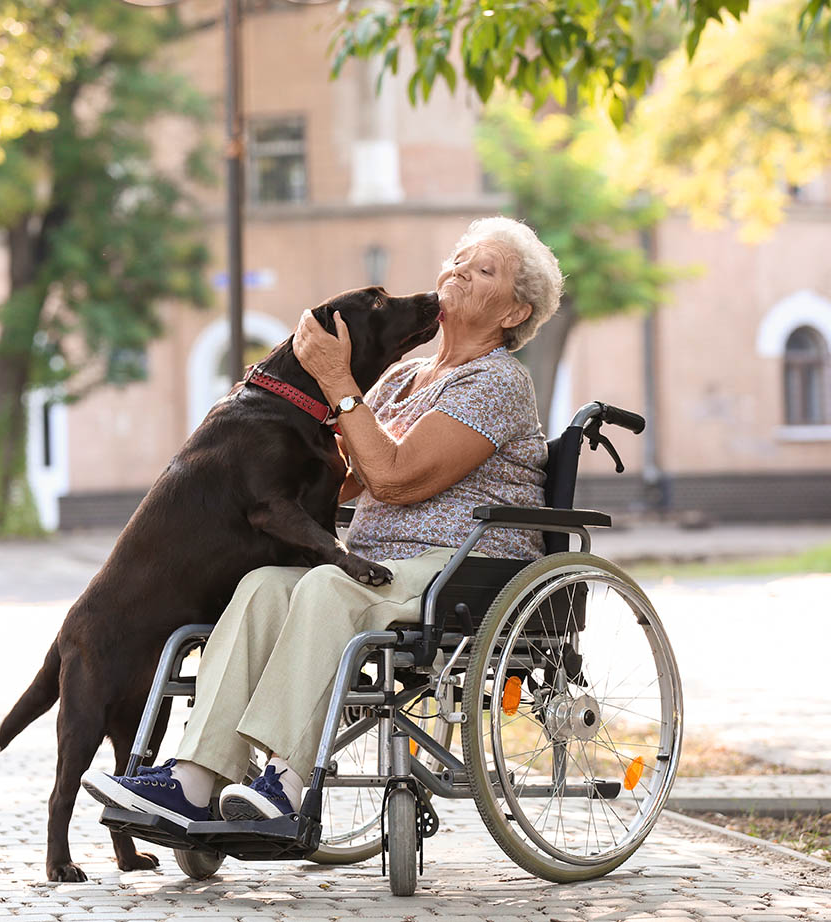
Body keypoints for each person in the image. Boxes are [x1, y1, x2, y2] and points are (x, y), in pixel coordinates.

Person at [82, 215, 563, 826]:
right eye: (459, 258)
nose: (460, 271)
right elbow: (350, 475)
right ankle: (194, 781)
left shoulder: (496, 382)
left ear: (514, 313)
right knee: (260, 588)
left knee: (328, 586)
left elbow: (393, 476)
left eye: (485, 269)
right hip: (381, 566)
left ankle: (285, 783)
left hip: (461, 565)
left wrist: (339, 382)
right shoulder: (407, 378)